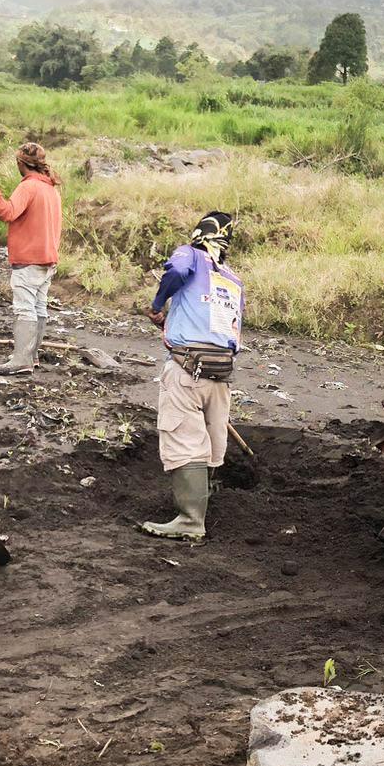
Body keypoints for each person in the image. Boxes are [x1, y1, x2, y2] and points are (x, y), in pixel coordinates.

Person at [141, 212, 243, 540]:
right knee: (212, 442)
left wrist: (159, 302)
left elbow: (177, 270)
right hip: (221, 372)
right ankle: (206, 504)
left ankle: (190, 519)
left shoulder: (190, 255)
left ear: (199, 236)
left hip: (187, 369)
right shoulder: (232, 279)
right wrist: (168, 322)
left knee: (184, 440)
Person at [0, 142, 63, 375]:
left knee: (25, 309)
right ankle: (31, 356)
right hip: (47, 258)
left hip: (29, 259)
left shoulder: (29, 187)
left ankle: (21, 360)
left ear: (20, 164)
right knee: (38, 307)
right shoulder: (51, 189)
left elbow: (8, 212)